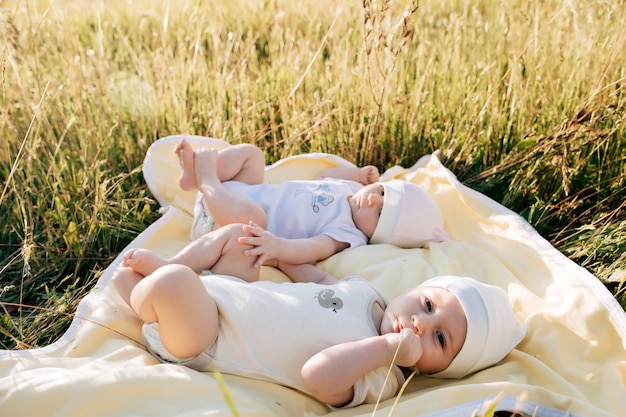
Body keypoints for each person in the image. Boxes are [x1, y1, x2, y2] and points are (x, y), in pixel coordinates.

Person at [112, 224, 526, 409]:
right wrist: (278, 253)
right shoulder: (370, 294)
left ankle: (145, 296)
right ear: (415, 292)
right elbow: (321, 280)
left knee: (177, 285)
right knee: (242, 236)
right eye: (429, 306)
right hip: (230, 293)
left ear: (444, 370)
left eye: (439, 339)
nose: (421, 323)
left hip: (207, 338)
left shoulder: (382, 377)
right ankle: (165, 274)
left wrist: (387, 349)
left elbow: (318, 375)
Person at [173, 138, 449, 270]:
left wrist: (277, 246)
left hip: (226, 222)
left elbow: (313, 248)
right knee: (252, 156)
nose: (372, 199)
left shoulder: (348, 234)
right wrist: (355, 174)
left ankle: (207, 177)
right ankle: (195, 178)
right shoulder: (352, 190)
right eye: (383, 192)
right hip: (241, 191)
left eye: (379, 212)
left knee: (254, 217)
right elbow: (323, 176)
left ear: (377, 236)